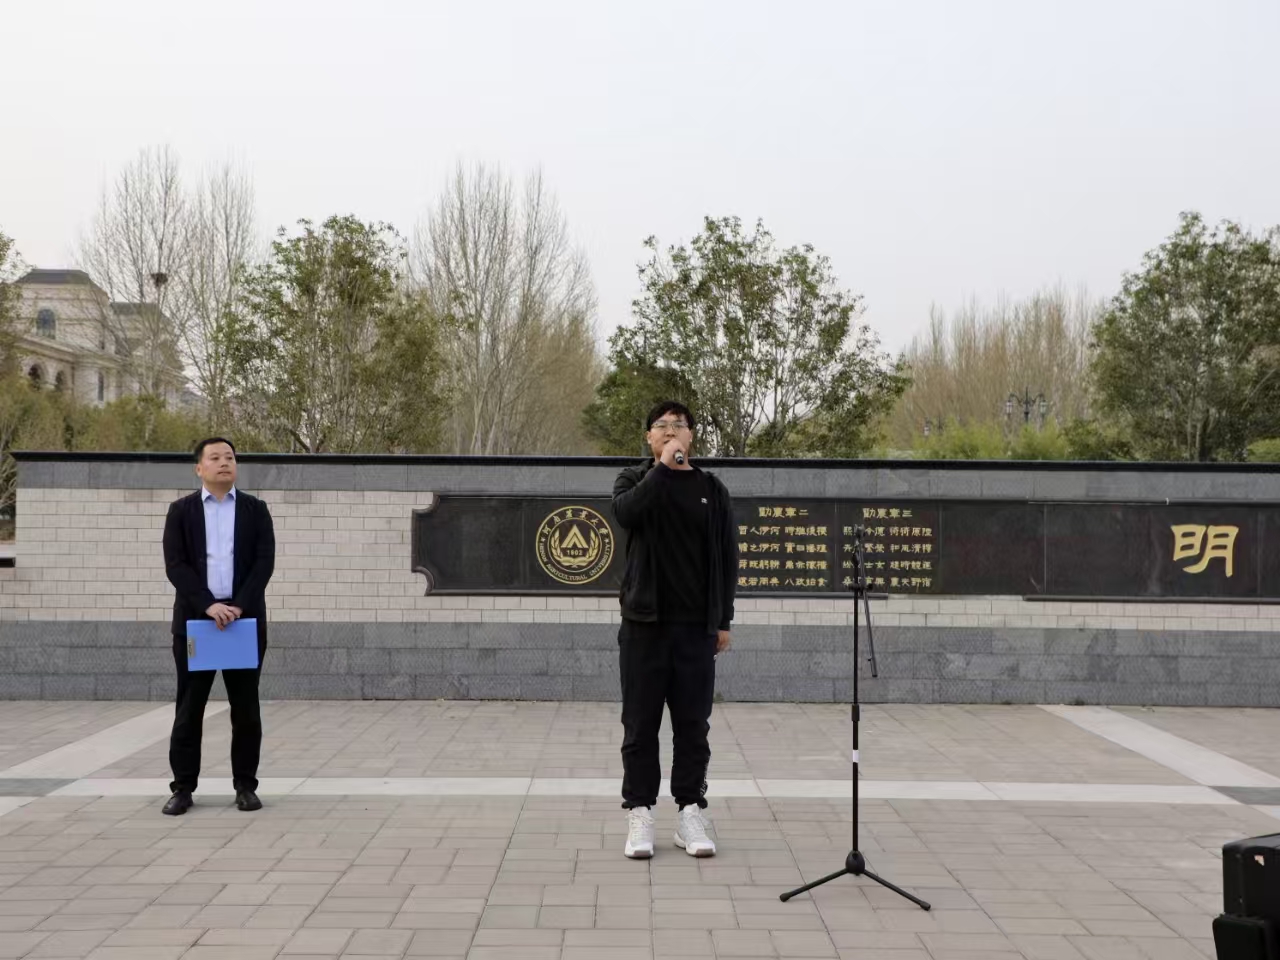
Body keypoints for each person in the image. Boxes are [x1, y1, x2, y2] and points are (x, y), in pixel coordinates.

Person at [612, 401, 737, 858]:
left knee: (692, 727)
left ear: (691, 436)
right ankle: (640, 812)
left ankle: (689, 811)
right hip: (643, 627)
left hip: (695, 629)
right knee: (640, 726)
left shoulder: (711, 489)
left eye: (678, 425)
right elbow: (627, 514)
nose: (670, 431)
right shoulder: (633, 480)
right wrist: (663, 470)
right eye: (661, 426)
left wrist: (723, 620)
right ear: (649, 437)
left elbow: (727, 556)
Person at [160, 437, 275, 816]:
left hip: (242, 622)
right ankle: (182, 788)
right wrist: (208, 605)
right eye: (215, 457)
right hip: (198, 623)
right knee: (189, 709)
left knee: (246, 710)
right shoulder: (181, 511)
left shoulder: (256, 510)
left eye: (229, 457)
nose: (224, 462)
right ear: (199, 468)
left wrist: (237, 605)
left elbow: (264, 563)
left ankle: (245, 786)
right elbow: (176, 565)